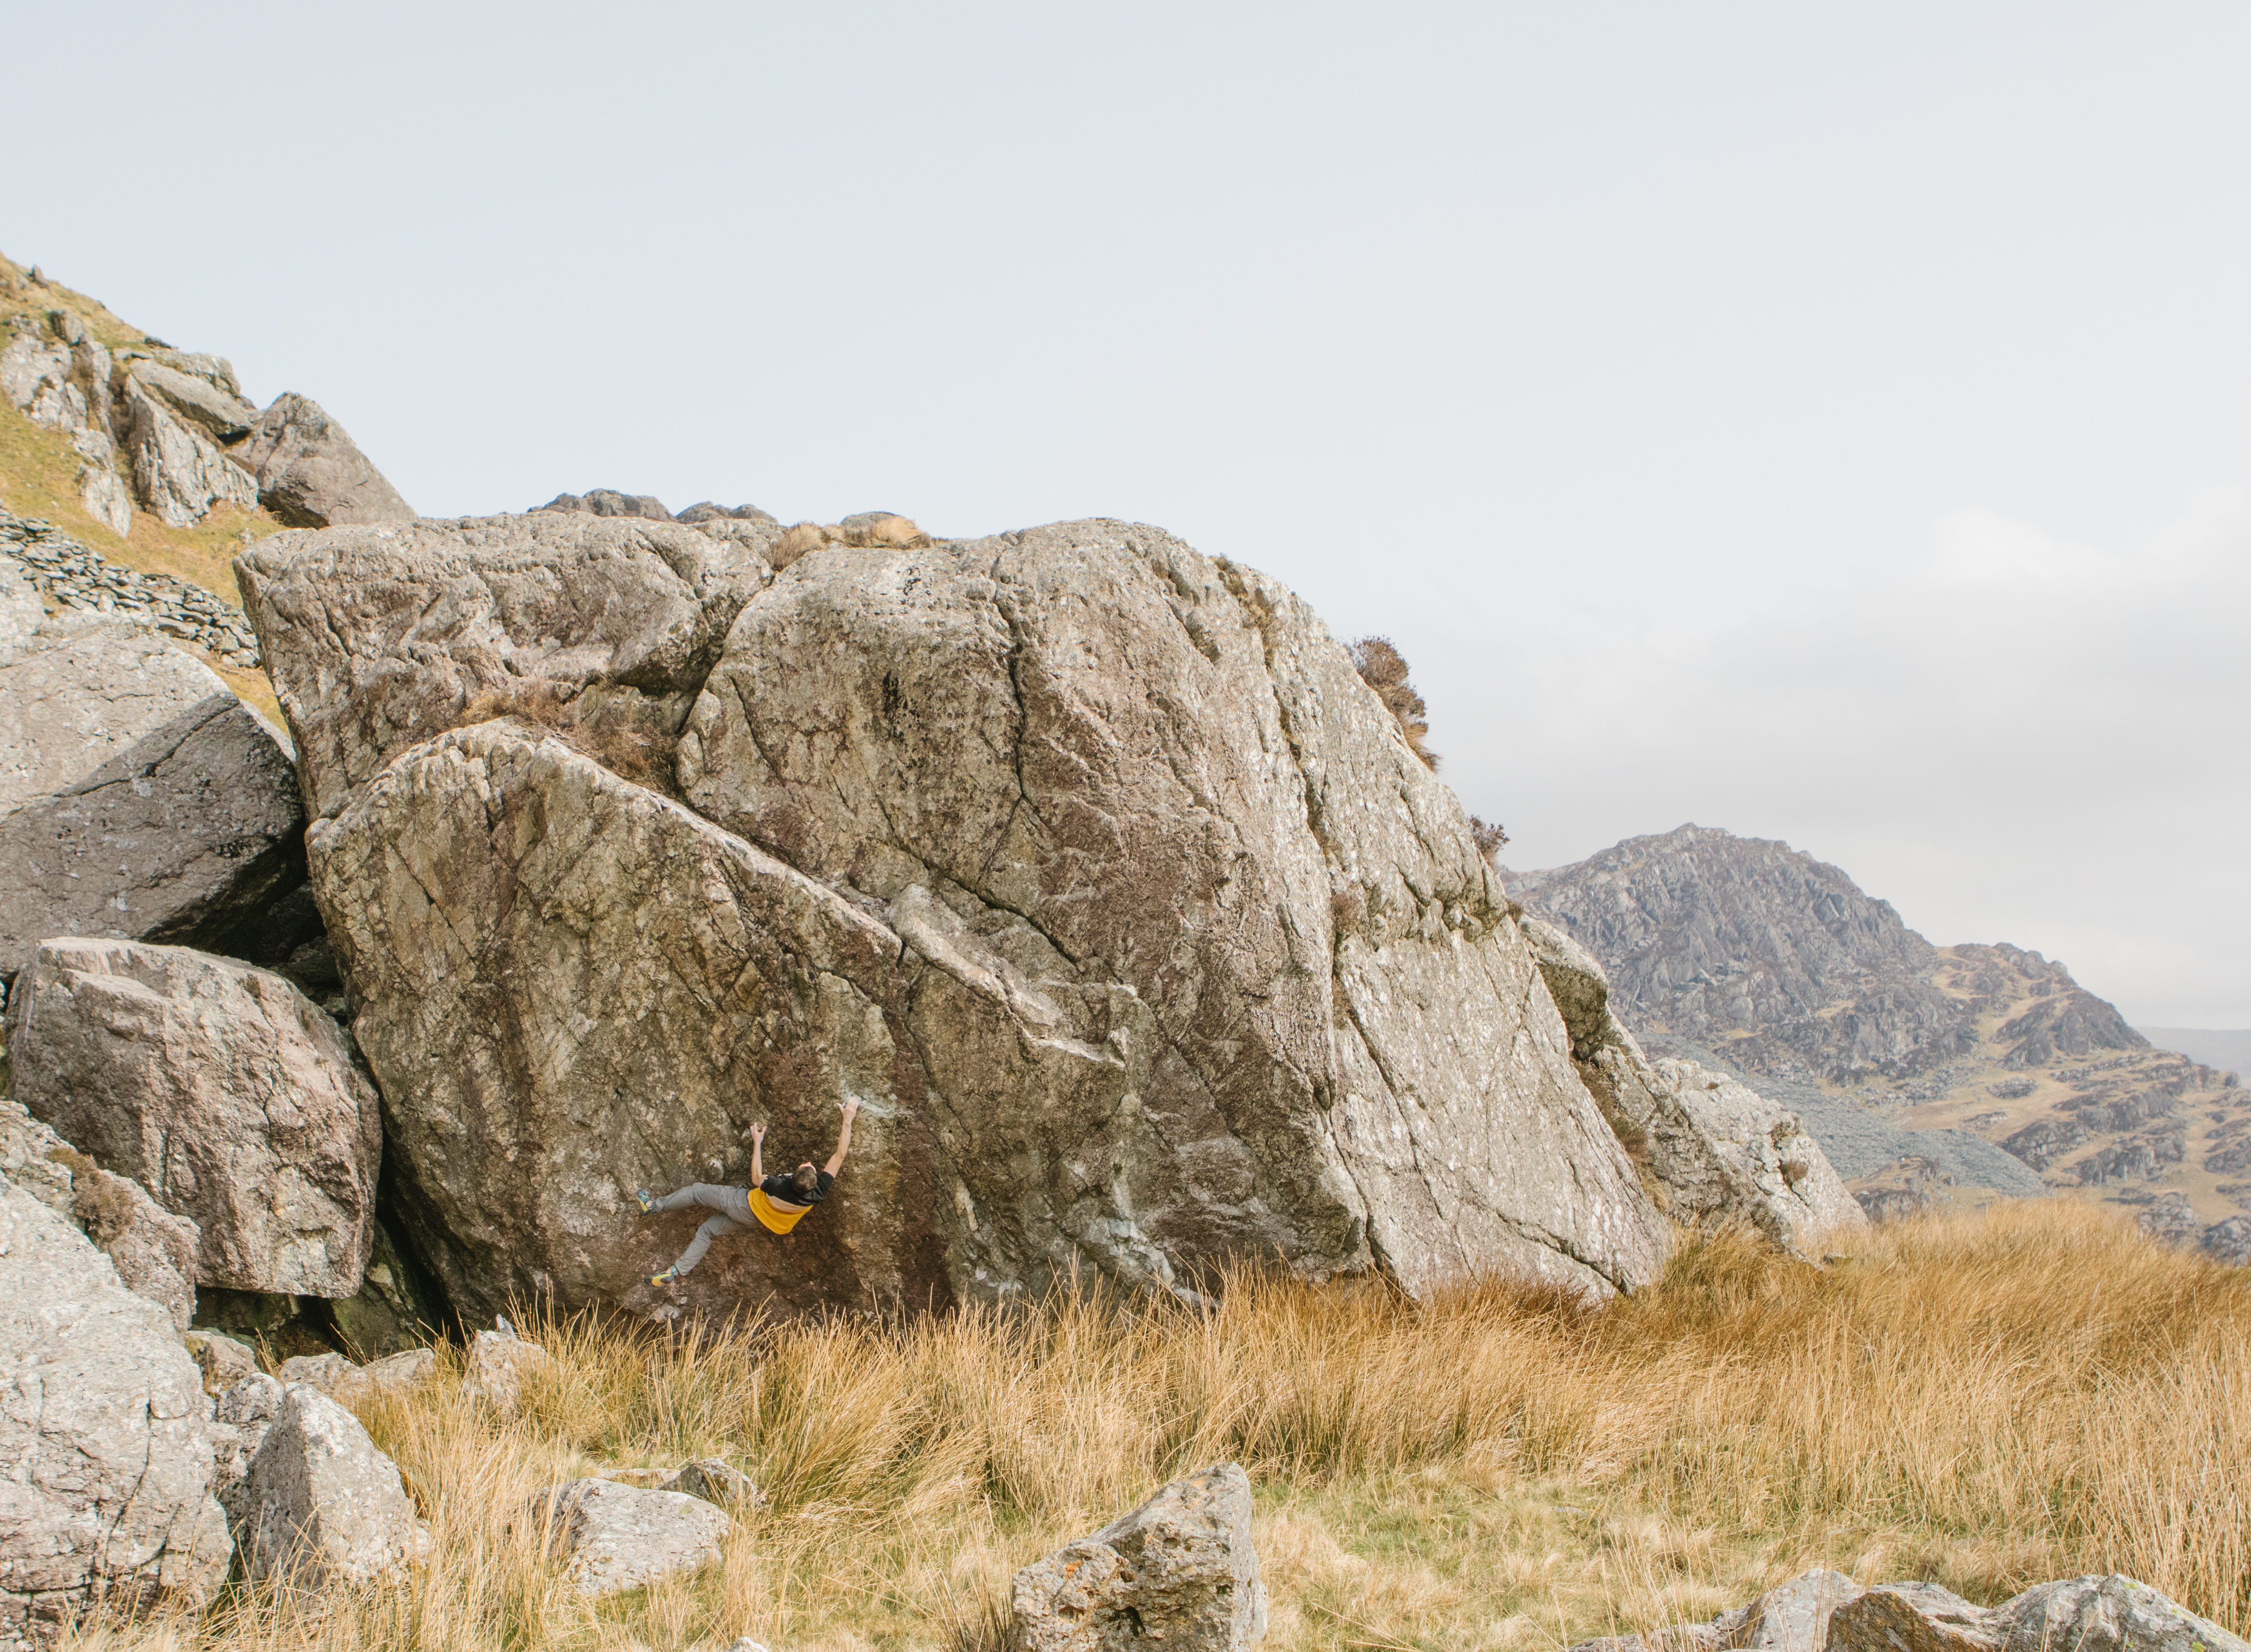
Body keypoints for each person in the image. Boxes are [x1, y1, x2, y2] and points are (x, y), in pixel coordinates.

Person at [637, 1100, 859, 1287]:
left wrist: (757, 1143)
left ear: (792, 1177)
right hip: (756, 1221)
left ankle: (653, 1206)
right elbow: (840, 1154)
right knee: (707, 1230)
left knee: (697, 1192)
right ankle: (676, 1271)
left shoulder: (778, 1186)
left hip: (742, 1204)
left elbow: (756, 1178)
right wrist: (848, 1120)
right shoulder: (818, 1191)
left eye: (807, 1165)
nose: (810, 1163)